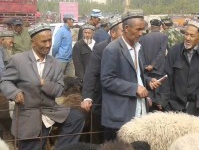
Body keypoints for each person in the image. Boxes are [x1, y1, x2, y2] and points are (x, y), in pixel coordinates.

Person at [0, 23, 85, 150]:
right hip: (28, 111)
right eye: (44, 41)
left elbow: (59, 90)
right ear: (33, 42)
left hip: (51, 110)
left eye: (50, 40)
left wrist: (45, 83)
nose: (48, 45)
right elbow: (5, 81)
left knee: (77, 117)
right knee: (34, 140)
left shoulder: (55, 63)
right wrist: (15, 92)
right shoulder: (18, 60)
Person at [100, 9, 161, 141]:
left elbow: (137, 76)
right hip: (121, 114)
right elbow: (107, 80)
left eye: (143, 29)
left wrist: (148, 81)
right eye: (138, 29)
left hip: (139, 109)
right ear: (126, 28)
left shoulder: (138, 48)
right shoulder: (112, 49)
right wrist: (134, 88)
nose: (141, 33)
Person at [81, 16, 123, 144]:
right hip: (102, 98)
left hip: (123, 101)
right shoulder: (101, 48)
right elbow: (91, 73)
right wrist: (87, 97)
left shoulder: (132, 47)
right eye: (123, 30)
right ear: (113, 32)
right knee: (100, 137)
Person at [161, 19, 199, 116]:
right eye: (186, 34)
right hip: (176, 107)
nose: (187, 38)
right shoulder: (174, 51)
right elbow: (166, 77)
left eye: (192, 35)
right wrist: (163, 102)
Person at [140, 19, 168, 111]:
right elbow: (161, 52)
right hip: (159, 68)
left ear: (151, 27)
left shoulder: (143, 38)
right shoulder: (163, 37)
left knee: (149, 89)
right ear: (160, 27)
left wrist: (145, 66)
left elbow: (141, 53)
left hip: (147, 70)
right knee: (158, 88)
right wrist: (154, 64)